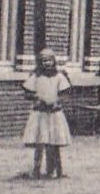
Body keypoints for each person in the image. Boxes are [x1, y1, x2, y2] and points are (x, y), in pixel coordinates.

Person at [22, 48, 72, 180]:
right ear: (40, 62)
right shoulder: (36, 76)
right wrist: (36, 97)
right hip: (40, 113)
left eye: (49, 60)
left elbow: (65, 93)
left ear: (54, 61)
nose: (47, 63)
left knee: (53, 143)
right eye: (44, 61)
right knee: (40, 142)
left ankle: (55, 170)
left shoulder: (59, 77)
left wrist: (57, 102)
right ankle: (36, 170)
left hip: (54, 113)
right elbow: (27, 93)